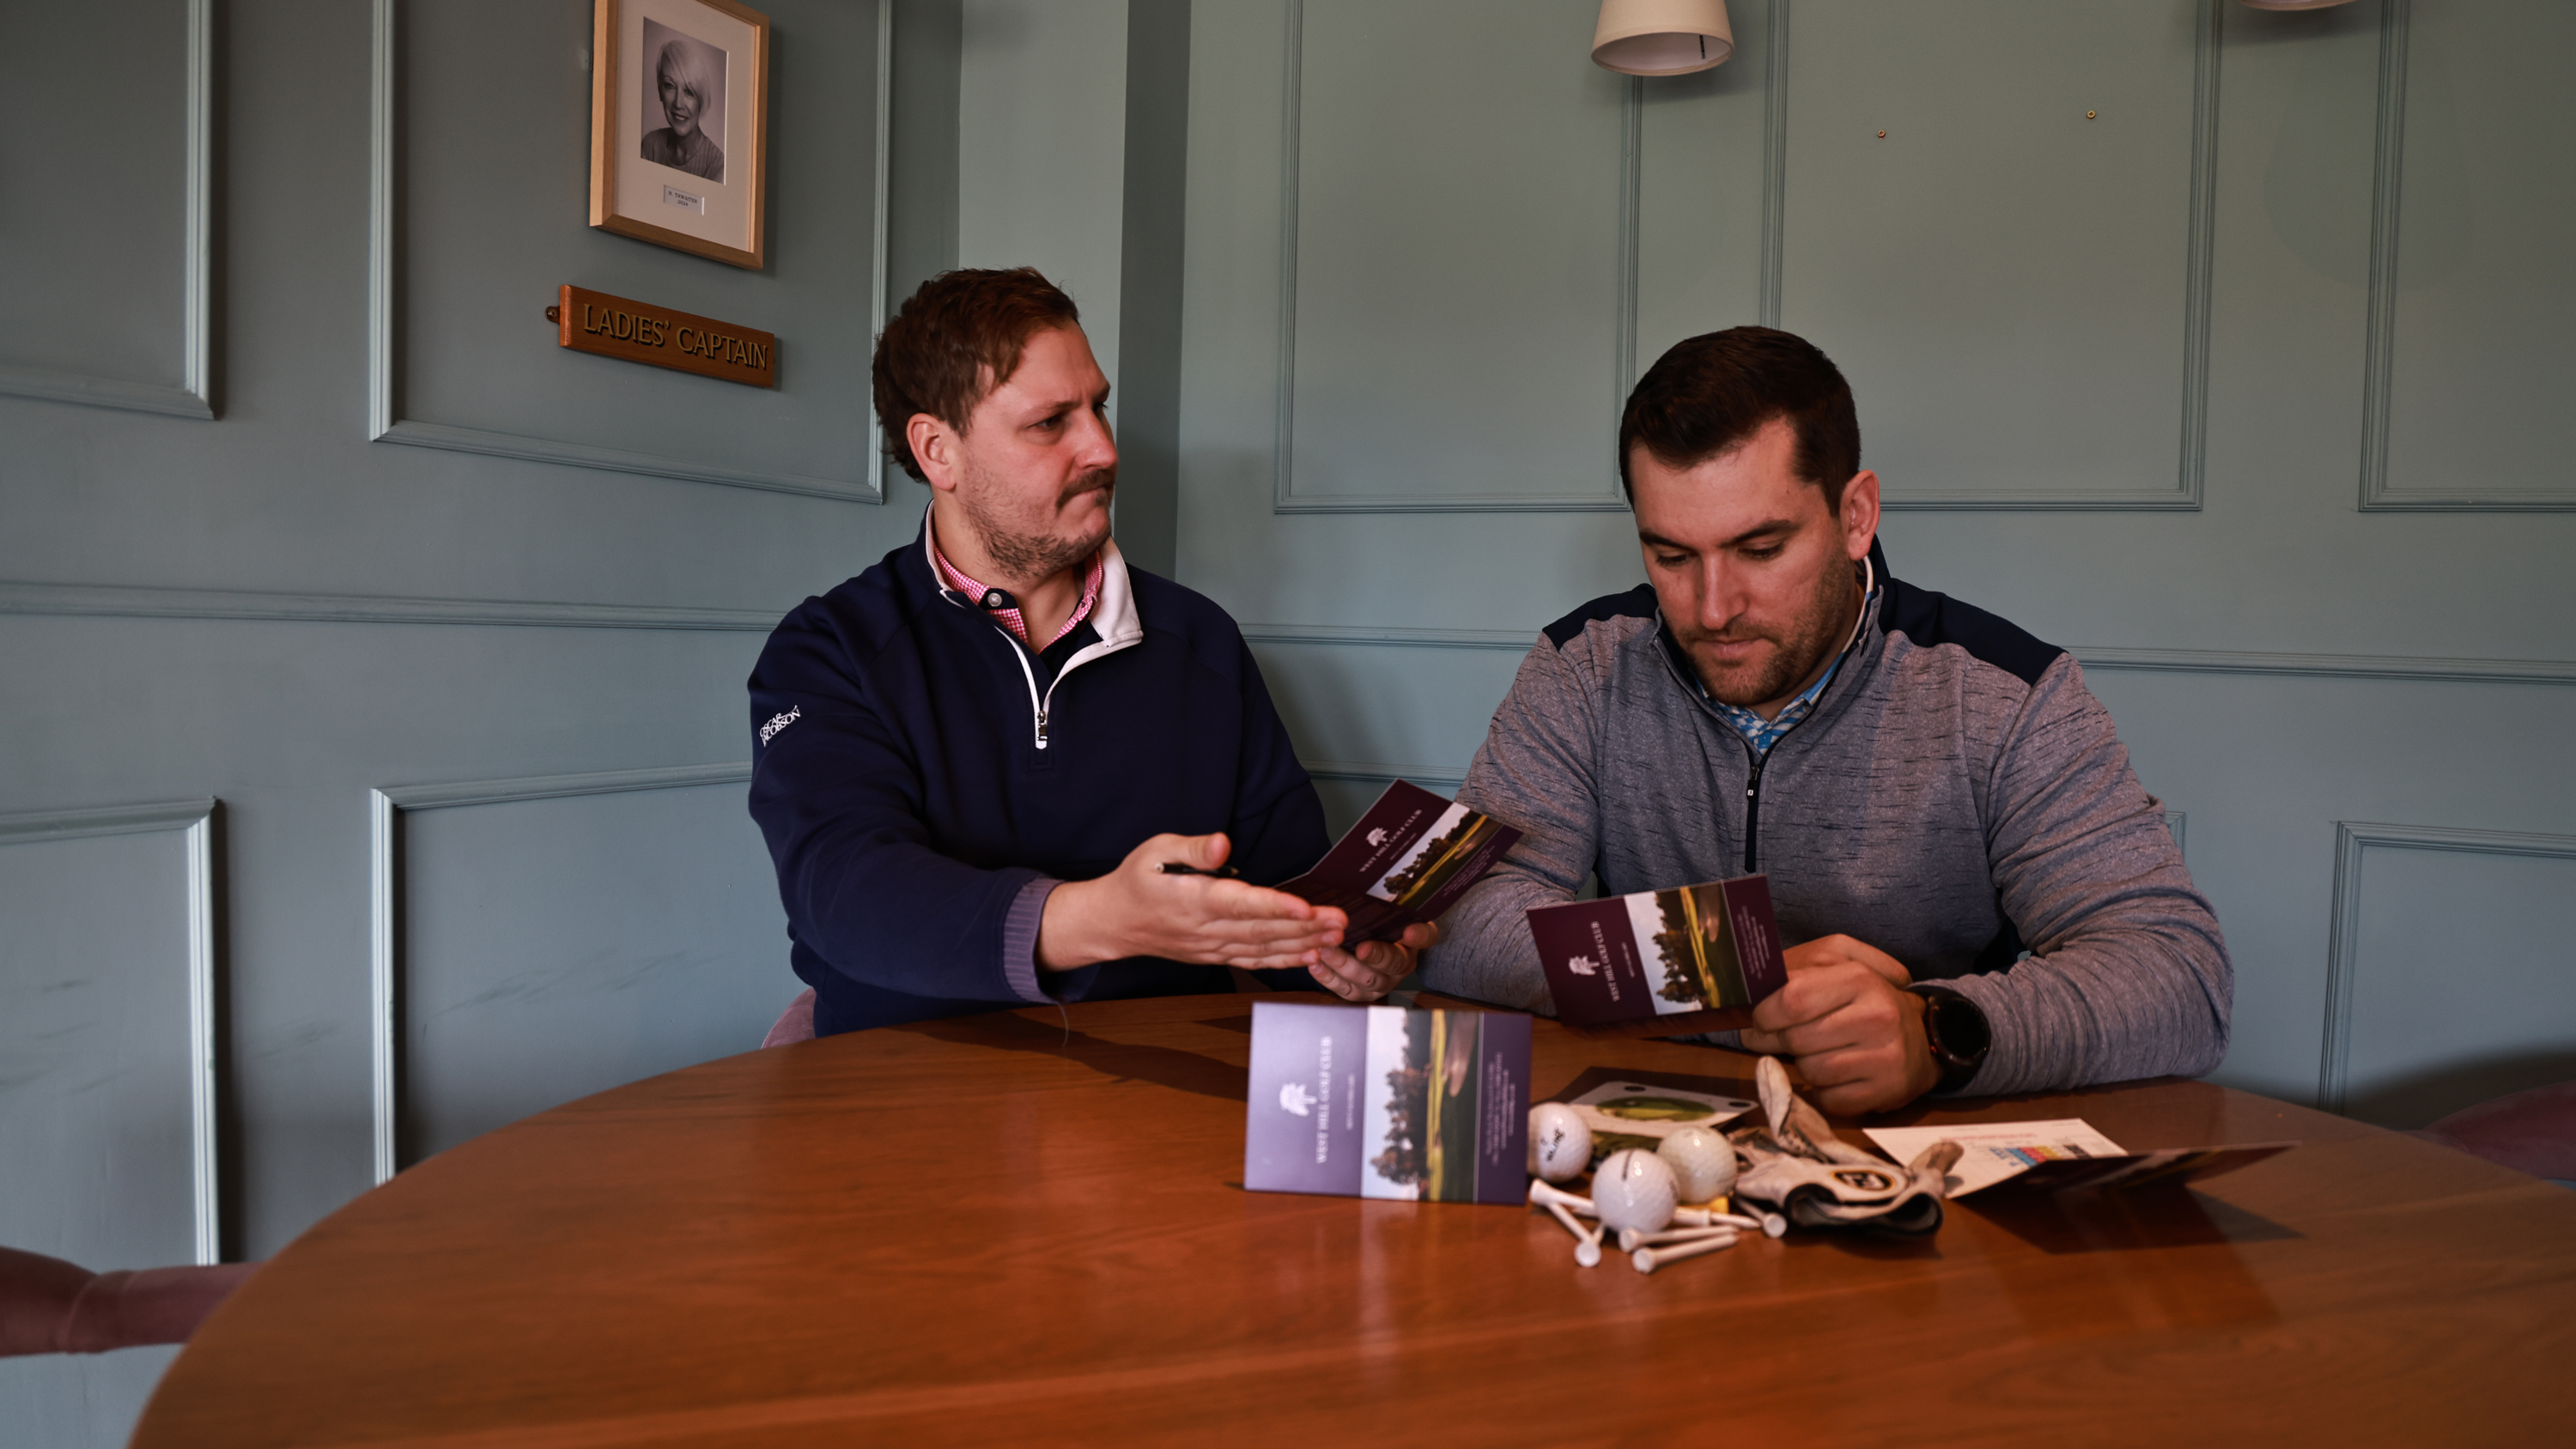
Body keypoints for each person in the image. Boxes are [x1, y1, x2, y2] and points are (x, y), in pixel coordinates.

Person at [1420, 326, 2230, 1113]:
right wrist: (1727, 979)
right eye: (1671, 556)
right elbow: (1461, 918)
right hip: (1660, 1148)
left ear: (1855, 516)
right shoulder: (1586, 664)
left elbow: (2178, 974)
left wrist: (1935, 1030)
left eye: (1761, 549)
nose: (1713, 608)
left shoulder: (2006, 696)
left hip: (1925, 1172)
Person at [747, 268, 1431, 1035]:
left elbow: (1282, 895)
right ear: (938, 450)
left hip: (1160, 1089)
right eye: (1051, 423)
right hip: (907, 1087)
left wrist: (1342, 954)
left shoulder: (1200, 641)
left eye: (1097, 407)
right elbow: (846, 893)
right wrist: (1099, 920)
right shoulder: (828, 650)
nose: (1103, 448)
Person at [641, 36, 724, 182]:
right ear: (660, 90)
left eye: (689, 91)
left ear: (701, 98)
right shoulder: (650, 145)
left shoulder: (718, 165)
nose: (678, 103)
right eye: (670, 86)